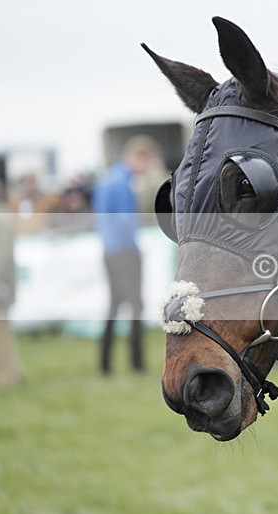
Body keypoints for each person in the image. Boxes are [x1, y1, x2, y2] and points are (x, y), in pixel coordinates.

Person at [92, 136, 161, 374]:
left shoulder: (108, 178)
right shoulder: (122, 182)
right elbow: (124, 221)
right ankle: (136, 362)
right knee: (135, 305)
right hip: (124, 251)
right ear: (138, 157)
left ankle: (105, 363)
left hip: (110, 250)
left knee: (114, 305)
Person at [0, 179, 22, 385]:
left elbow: (0, 258)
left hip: (0, 290)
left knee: (1, 334)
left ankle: (8, 376)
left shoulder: (1, 220)